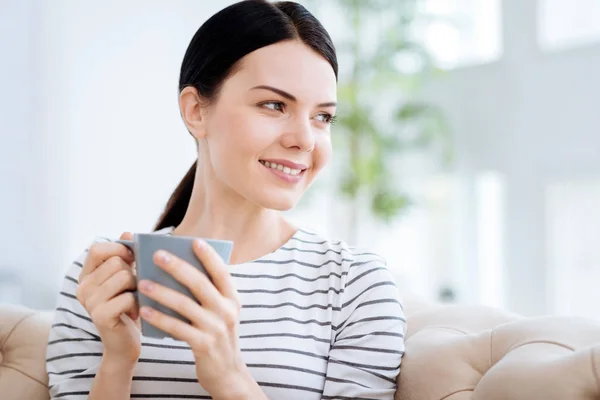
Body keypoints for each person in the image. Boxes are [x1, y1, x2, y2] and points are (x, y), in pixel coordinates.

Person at [45, 1, 406, 399]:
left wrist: (229, 375)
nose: (304, 139)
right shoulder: (102, 278)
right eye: (274, 105)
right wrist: (117, 362)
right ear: (196, 110)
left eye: (322, 117)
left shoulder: (353, 286)